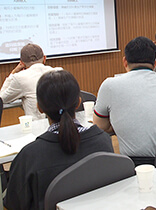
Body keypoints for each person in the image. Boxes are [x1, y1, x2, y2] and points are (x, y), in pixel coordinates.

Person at [4, 70, 113, 210]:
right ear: (78, 102)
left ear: (40, 108)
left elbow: (12, 204)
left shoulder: (29, 156)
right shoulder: (102, 141)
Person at [93, 36, 156, 159]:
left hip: (134, 164)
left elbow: (99, 126)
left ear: (125, 62)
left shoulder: (110, 85)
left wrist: (121, 123)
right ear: (155, 64)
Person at [0, 43, 62, 120]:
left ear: (22, 63)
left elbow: (2, 98)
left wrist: (13, 72)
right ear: (44, 58)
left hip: (37, 128)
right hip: (61, 124)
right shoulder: (59, 72)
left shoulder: (19, 78)